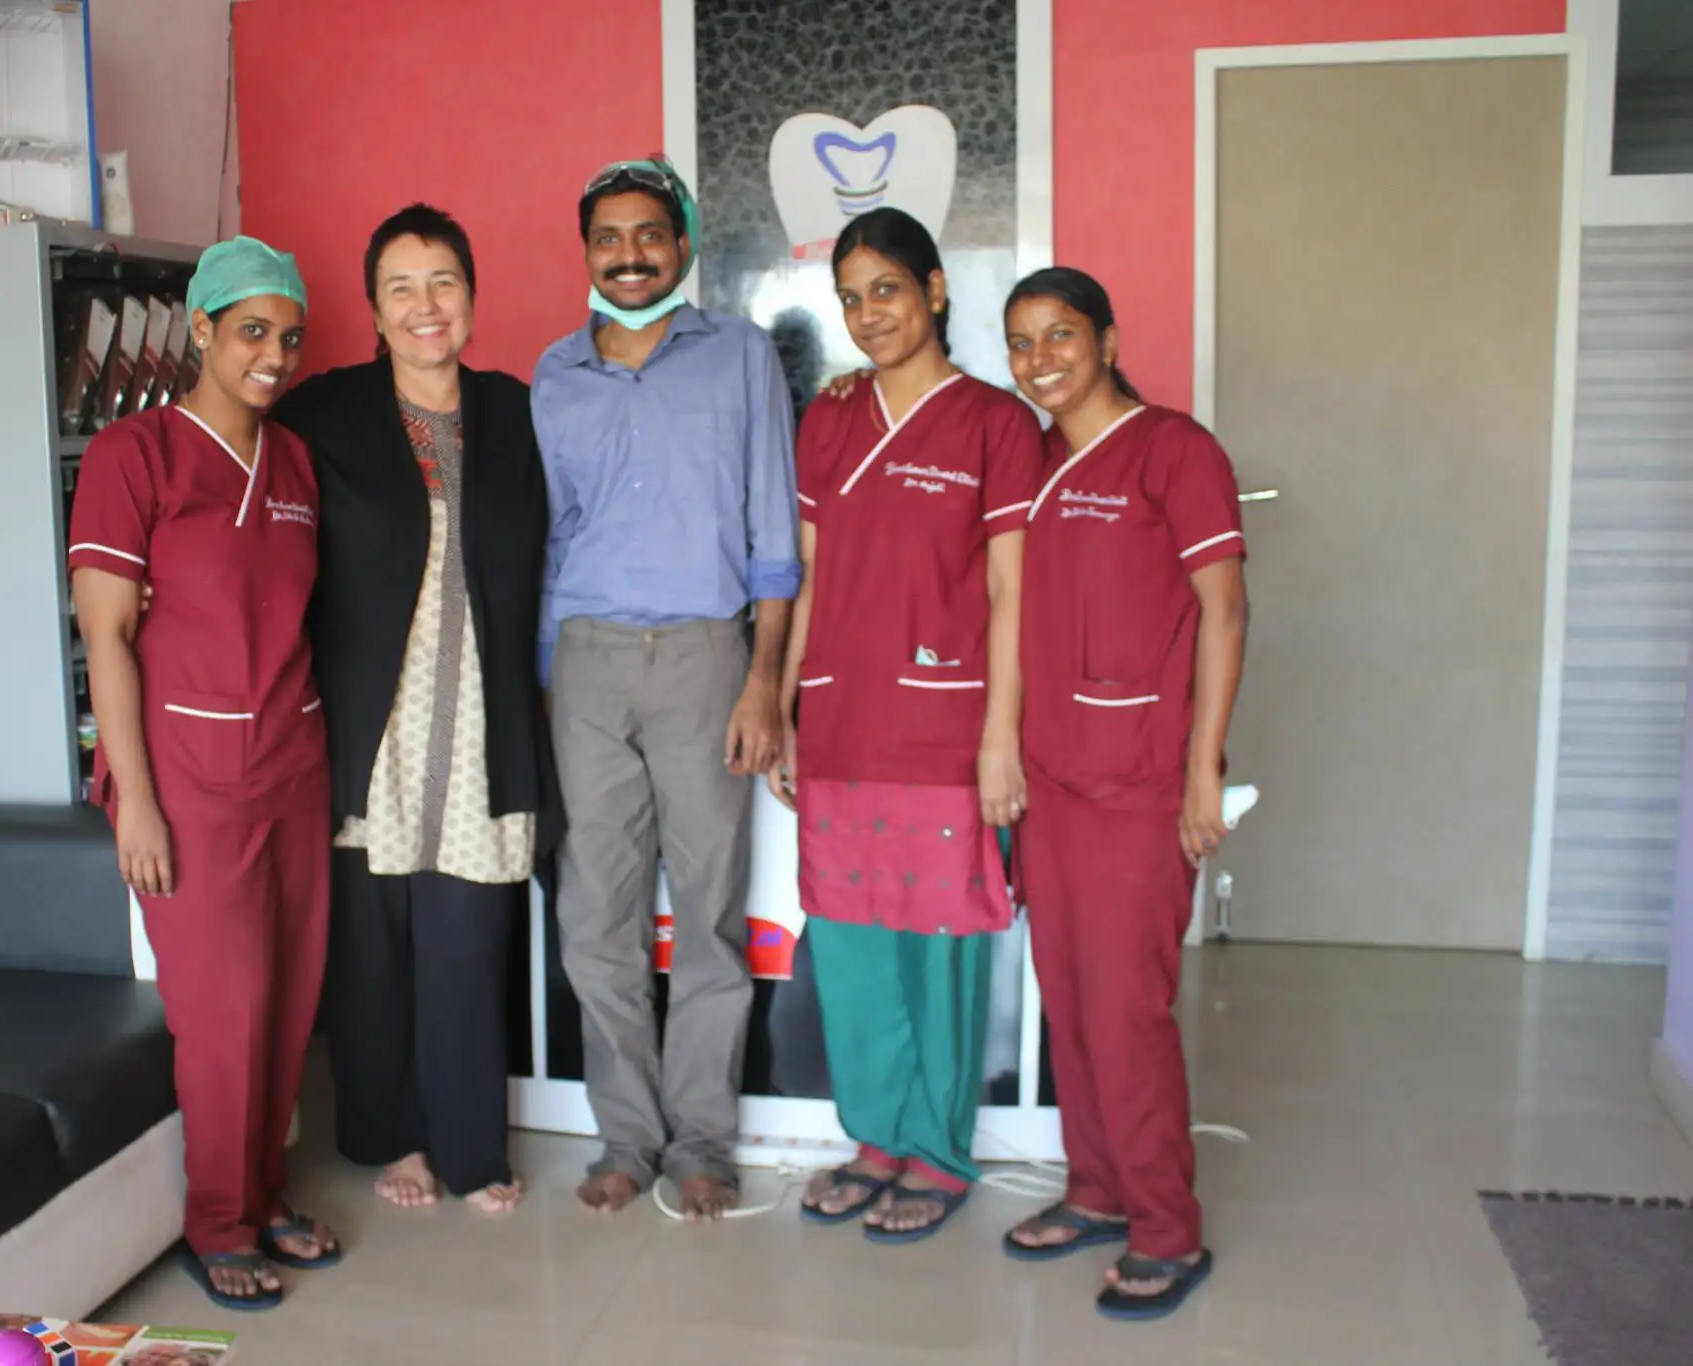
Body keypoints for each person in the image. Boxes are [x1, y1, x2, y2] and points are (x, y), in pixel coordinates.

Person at [272, 204, 561, 1217]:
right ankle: (392, 1136)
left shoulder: (517, 413)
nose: (424, 305)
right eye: (401, 287)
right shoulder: (323, 414)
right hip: (372, 727)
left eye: (443, 281)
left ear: (471, 296)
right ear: (373, 308)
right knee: (374, 949)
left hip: (482, 722)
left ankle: (471, 1147)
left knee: (468, 944)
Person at [67, 235, 339, 1311]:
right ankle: (218, 1222)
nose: (273, 355)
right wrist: (134, 798)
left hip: (291, 762)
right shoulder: (133, 456)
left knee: (289, 998)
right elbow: (107, 637)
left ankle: (265, 1194)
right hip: (185, 777)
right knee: (223, 1012)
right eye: (252, 332)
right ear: (202, 328)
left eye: (290, 337)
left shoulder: (295, 464)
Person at [532, 157, 800, 1220]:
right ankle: (625, 1137)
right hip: (586, 663)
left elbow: (773, 531)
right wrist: (547, 682)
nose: (630, 254)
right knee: (594, 914)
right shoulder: (554, 375)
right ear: (586, 251)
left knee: (708, 912)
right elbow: (550, 536)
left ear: (682, 245)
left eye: (649, 233)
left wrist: (763, 681)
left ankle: (699, 1141)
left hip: (705, 658)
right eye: (608, 236)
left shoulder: (740, 356)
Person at [770, 207, 1043, 1245]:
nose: (868, 313)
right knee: (851, 949)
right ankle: (875, 1139)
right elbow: (809, 575)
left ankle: (936, 1150)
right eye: (850, 297)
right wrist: (787, 705)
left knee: (939, 949)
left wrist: (1000, 737)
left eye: (886, 288)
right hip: (841, 720)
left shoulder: (994, 425)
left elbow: (1012, 590)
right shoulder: (829, 420)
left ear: (934, 289)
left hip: (944, 731)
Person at [997, 266, 1246, 1321]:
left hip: (1140, 779)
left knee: (1127, 1008)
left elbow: (1224, 610)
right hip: (1052, 776)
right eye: (1020, 342)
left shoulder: (1173, 451)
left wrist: (1202, 769)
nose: (1039, 360)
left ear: (1105, 340)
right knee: (1068, 997)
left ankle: (1166, 1228)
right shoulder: (1036, 460)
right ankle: (1096, 1188)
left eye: (1059, 335)